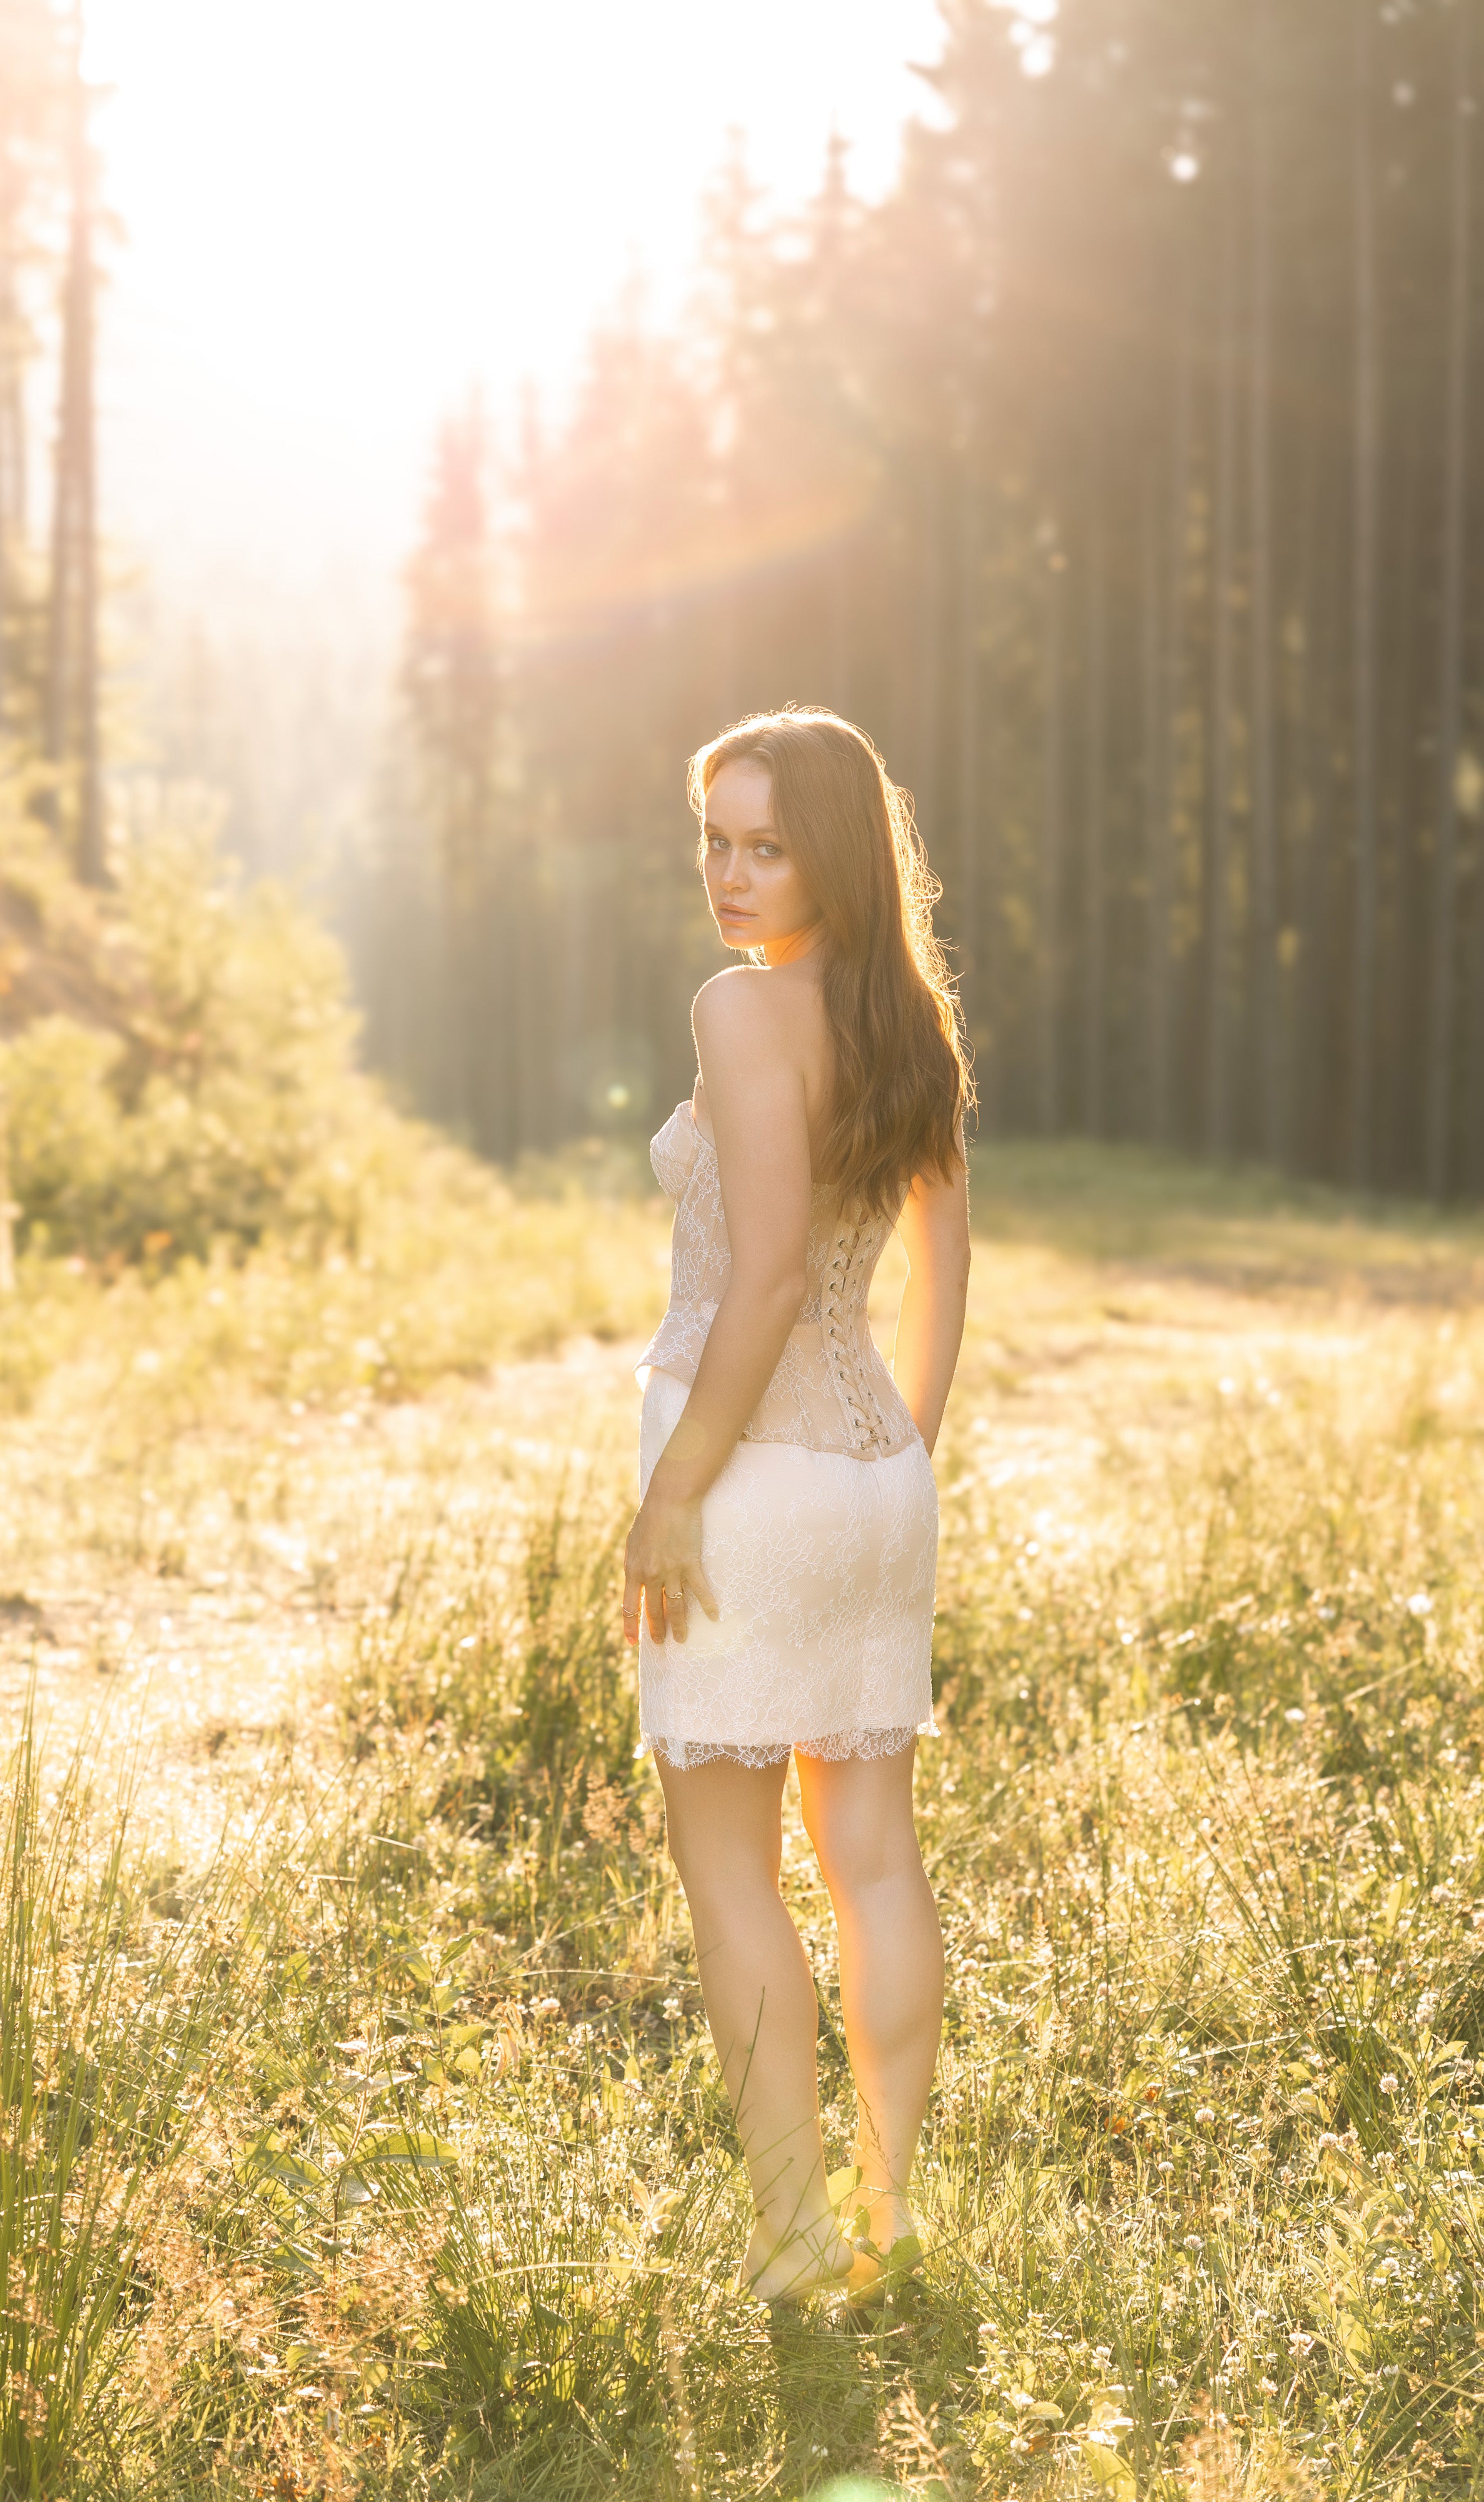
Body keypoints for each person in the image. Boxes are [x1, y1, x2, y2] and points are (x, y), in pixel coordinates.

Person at [622, 706, 972, 2306]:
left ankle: (793, 2240)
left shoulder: (739, 1011)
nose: (732, 874)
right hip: (875, 1482)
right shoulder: (906, 1017)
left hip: (750, 1487)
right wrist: (903, 1452)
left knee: (732, 1871)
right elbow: (942, 1265)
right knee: (876, 1856)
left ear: (829, 849)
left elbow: (762, 1277)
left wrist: (674, 1490)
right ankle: (894, 2212)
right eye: (715, 838)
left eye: (766, 842)